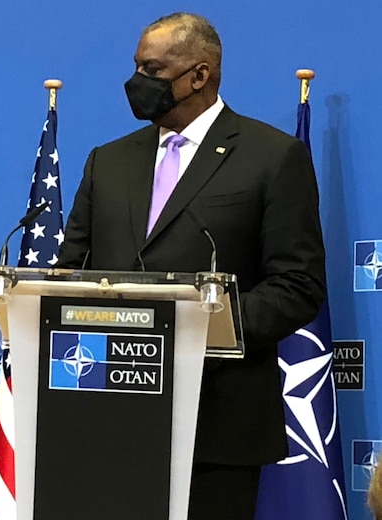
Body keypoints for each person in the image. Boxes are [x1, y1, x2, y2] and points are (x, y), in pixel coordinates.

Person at [57, 12, 326, 520]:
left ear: (199, 75)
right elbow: (71, 271)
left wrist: (193, 326)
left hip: (217, 424)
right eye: (136, 67)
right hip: (106, 417)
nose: (137, 82)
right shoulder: (107, 161)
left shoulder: (272, 156)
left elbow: (298, 284)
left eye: (152, 70)